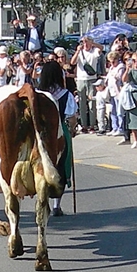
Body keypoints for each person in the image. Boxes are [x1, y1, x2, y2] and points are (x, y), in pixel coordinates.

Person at [33, 59, 78, 217]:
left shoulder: (38, 95)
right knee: (61, 165)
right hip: (59, 132)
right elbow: (71, 117)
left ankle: (41, 197)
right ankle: (56, 205)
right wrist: (72, 130)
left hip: (40, 133)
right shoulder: (66, 95)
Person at [73, 37, 105, 134]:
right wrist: (77, 51)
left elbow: (101, 48)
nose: (85, 44)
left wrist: (93, 43)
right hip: (81, 79)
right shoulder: (80, 52)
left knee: (92, 103)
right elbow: (72, 62)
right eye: (83, 42)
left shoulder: (94, 51)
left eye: (87, 42)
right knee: (82, 103)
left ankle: (92, 125)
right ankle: (84, 125)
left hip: (92, 79)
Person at [121, 52, 137, 148]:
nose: (136, 63)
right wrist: (127, 69)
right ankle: (135, 140)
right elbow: (124, 79)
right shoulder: (131, 71)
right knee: (132, 119)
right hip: (133, 97)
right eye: (134, 61)